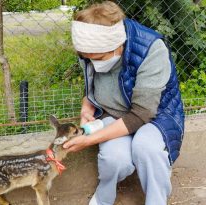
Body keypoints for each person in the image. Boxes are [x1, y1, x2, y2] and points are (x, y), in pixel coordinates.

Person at [63, 1, 185, 205]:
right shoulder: (90, 46)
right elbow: (93, 83)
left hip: (155, 116)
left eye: (99, 58)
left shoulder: (151, 49)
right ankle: (103, 198)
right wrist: (88, 103)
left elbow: (141, 114)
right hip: (113, 115)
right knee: (114, 159)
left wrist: (89, 140)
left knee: (147, 148)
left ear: (117, 45)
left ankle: (157, 200)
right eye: (88, 59)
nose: (94, 64)